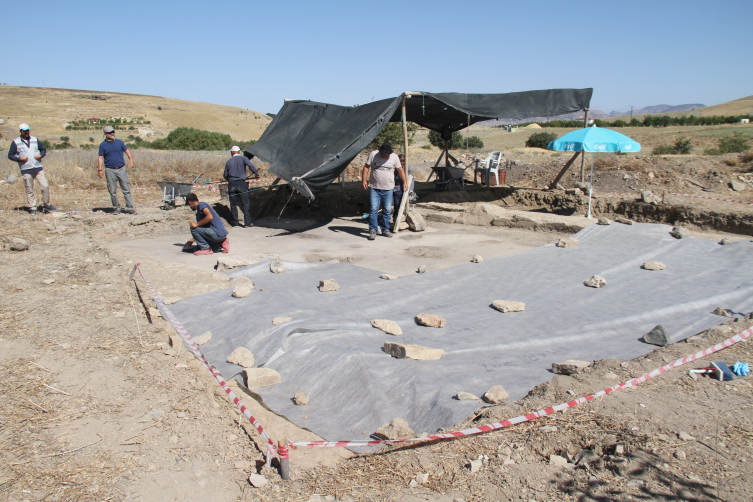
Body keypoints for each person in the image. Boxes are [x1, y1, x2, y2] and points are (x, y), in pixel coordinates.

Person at [7, 123, 57, 215]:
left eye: (28, 130)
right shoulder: (16, 142)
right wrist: (19, 159)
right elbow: (10, 155)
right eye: (25, 131)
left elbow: (43, 149)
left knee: (45, 186)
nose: (27, 132)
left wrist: (41, 155)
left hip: (38, 168)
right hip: (26, 169)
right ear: (21, 131)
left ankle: (46, 205)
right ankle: (32, 207)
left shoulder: (34, 139)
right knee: (29, 189)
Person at [361, 142, 407, 240]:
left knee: (387, 210)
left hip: (388, 188)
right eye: (383, 154)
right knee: (374, 209)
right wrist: (364, 180)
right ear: (380, 151)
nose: (385, 155)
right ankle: (373, 230)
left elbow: (400, 170)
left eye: (387, 154)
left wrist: (405, 182)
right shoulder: (373, 154)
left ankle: (385, 229)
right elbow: (366, 167)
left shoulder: (394, 157)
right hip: (374, 188)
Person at [98, 126, 136, 214]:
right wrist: (99, 170)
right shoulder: (103, 145)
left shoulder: (119, 142)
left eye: (113, 131)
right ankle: (116, 208)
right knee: (112, 191)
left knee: (126, 189)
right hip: (110, 170)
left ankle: (129, 208)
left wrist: (131, 160)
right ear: (105, 134)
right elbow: (100, 157)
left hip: (121, 169)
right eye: (110, 132)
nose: (112, 133)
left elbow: (127, 151)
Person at [223, 146, 259, 227]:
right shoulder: (244, 159)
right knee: (245, 203)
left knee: (233, 204)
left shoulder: (228, 161)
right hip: (241, 183)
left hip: (231, 184)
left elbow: (225, 175)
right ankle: (247, 223)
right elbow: (251, 166)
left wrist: (230, 178)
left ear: (232, 152)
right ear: (239, 152)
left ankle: (235, 223)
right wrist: (256, 173)